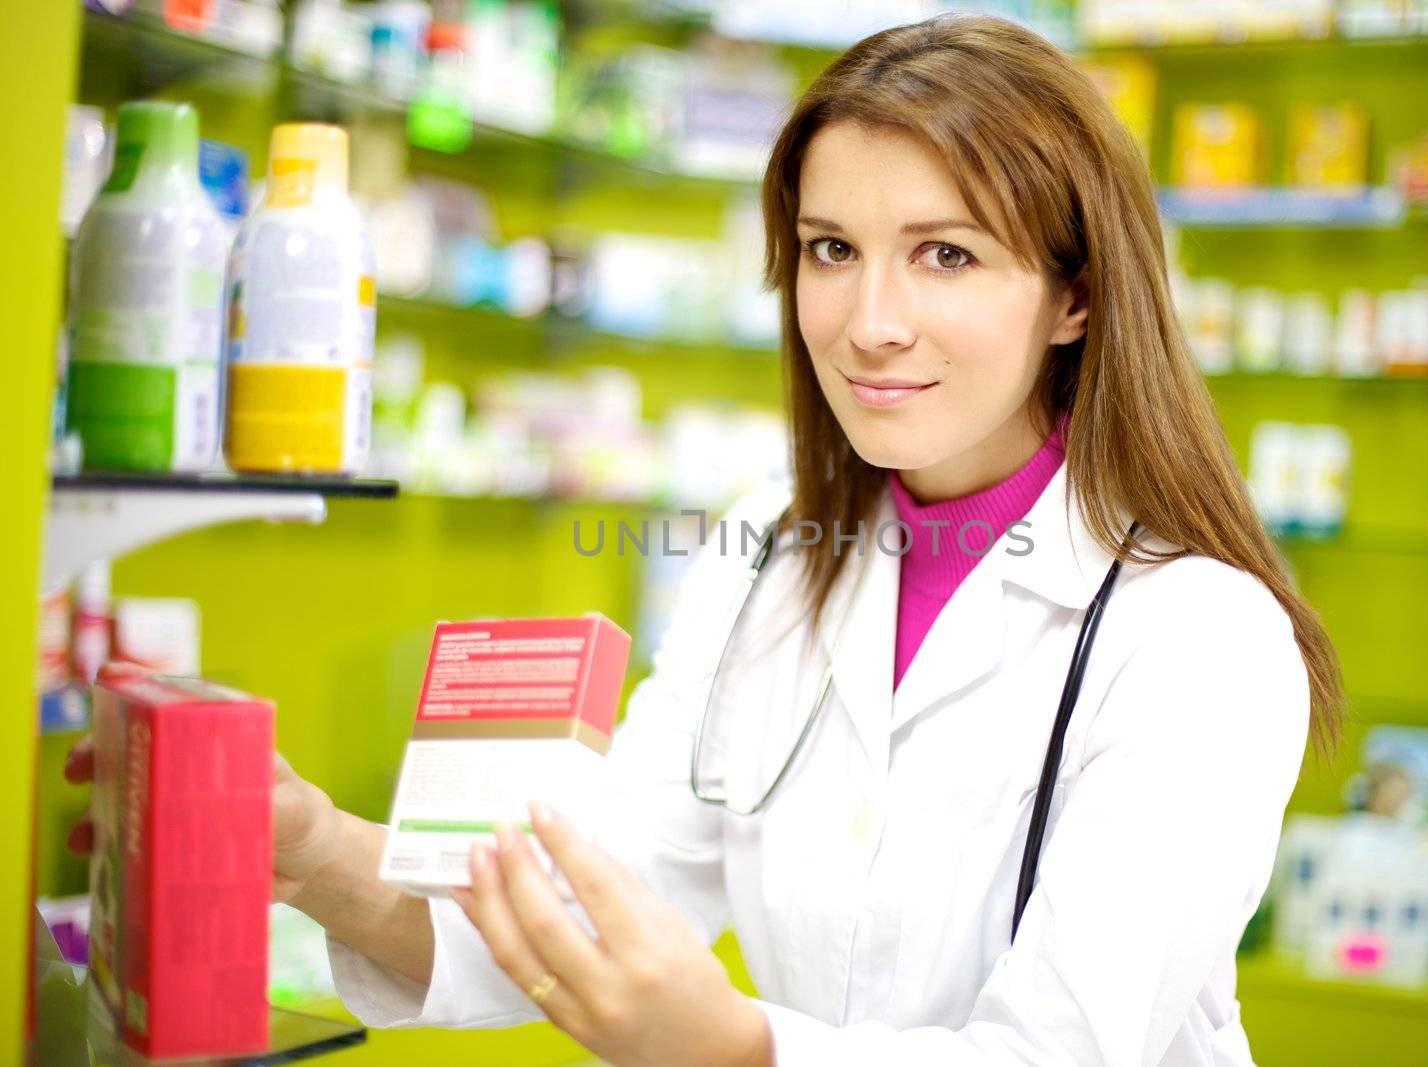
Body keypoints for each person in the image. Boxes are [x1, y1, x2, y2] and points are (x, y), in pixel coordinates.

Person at [67, 13, 1342, 1066]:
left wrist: (737, 1048)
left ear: (1073, 294)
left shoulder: (1198, 635)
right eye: (831, 249)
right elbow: (599, 898)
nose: (868, 321)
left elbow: (1064, 1049)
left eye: (945, 255)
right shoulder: (771, 543)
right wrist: (318, 851)